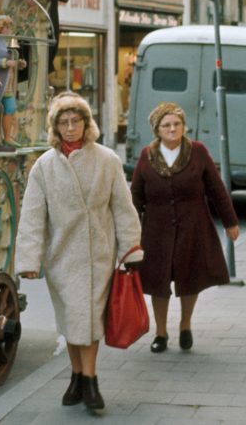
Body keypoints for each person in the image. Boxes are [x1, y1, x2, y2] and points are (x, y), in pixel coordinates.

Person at [14, 91, 143, 412]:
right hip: (62, 256)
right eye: (64, 122)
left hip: (99, 252)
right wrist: (29, 260)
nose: (70, 128)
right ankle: (76, 375)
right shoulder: (44, 167)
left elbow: (123, 208)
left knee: (90, 321)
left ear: (87, 124)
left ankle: (91, 381)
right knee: (72, 320)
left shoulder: (107, 160)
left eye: (76, 121)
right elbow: (32, 215)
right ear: (55, 128)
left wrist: (131, 250)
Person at [130, 102, 239, 353]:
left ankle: (185, 325)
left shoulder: (198, 151)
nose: (172, 129)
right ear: (157, 130)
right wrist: (130, 232)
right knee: (158, 281)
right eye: (166, 125)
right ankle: (160, 332)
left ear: (183, 126)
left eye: (177, 124)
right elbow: (135, 196)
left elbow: (216, 189)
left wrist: (230, 221)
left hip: (193, 225)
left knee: (190, 277)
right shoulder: (147, 155)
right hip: (156, 230)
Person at [0, 15, 26, 152]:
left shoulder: (11, 44)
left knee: (10, 107)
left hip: (10, 82)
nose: (8, 30)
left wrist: (19, 64)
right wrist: (5, 63)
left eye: (9, 27)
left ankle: (7, 137)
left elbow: (13, 61)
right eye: (6, 27)